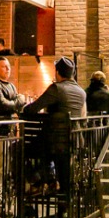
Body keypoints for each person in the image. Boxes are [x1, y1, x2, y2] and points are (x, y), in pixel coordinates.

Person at [23, 57, 86, 200]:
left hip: (54, 141)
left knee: (21, 150)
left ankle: (40, 181)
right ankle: (55, 189)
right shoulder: (81, 92)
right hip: (74, 140)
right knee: (62, 172)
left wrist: (22, 105)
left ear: (57, 72)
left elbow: (32, 109)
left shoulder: (56, 88)